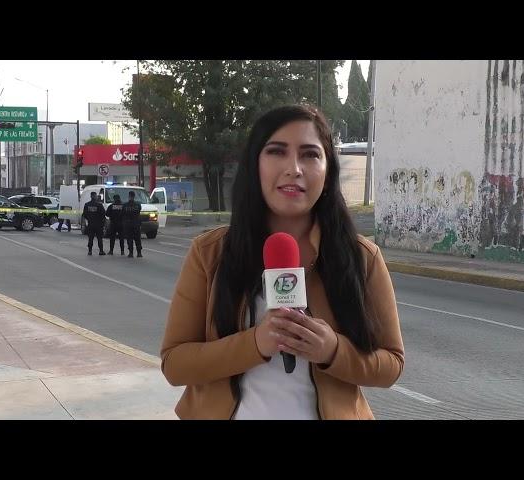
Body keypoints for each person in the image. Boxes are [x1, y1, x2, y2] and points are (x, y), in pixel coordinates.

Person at [160, 105, 404, 420]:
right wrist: (256, 343)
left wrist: (332, 351)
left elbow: (391, 365)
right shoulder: (209, 253)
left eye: (310, 154)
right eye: (276, 151)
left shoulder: (362, 257)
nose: (294, 168)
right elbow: (175, 364)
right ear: (254, 165)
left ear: (328, 172)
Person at [82, 191, 106, 256]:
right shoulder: (99, 205)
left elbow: (84, 214)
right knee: (99, 238)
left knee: (90, 238)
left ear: (90, 196)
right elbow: (103, 214)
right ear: (94, 196)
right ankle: (101, 251)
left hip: (91, 224)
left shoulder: (87, 205)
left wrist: (89, 219)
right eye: (95, 196)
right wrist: (102, 222)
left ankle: (90, 251)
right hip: (98, 224)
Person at [122, 190, 143, 258]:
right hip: (136, 224)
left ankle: (131, 253)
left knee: (129, 239)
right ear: (134, 196)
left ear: (129, 196)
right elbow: (139, 212)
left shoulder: (125, 205)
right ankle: (139, 253)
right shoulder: (138, 205)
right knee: (137, 239)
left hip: (128, 224)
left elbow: (122, 214)